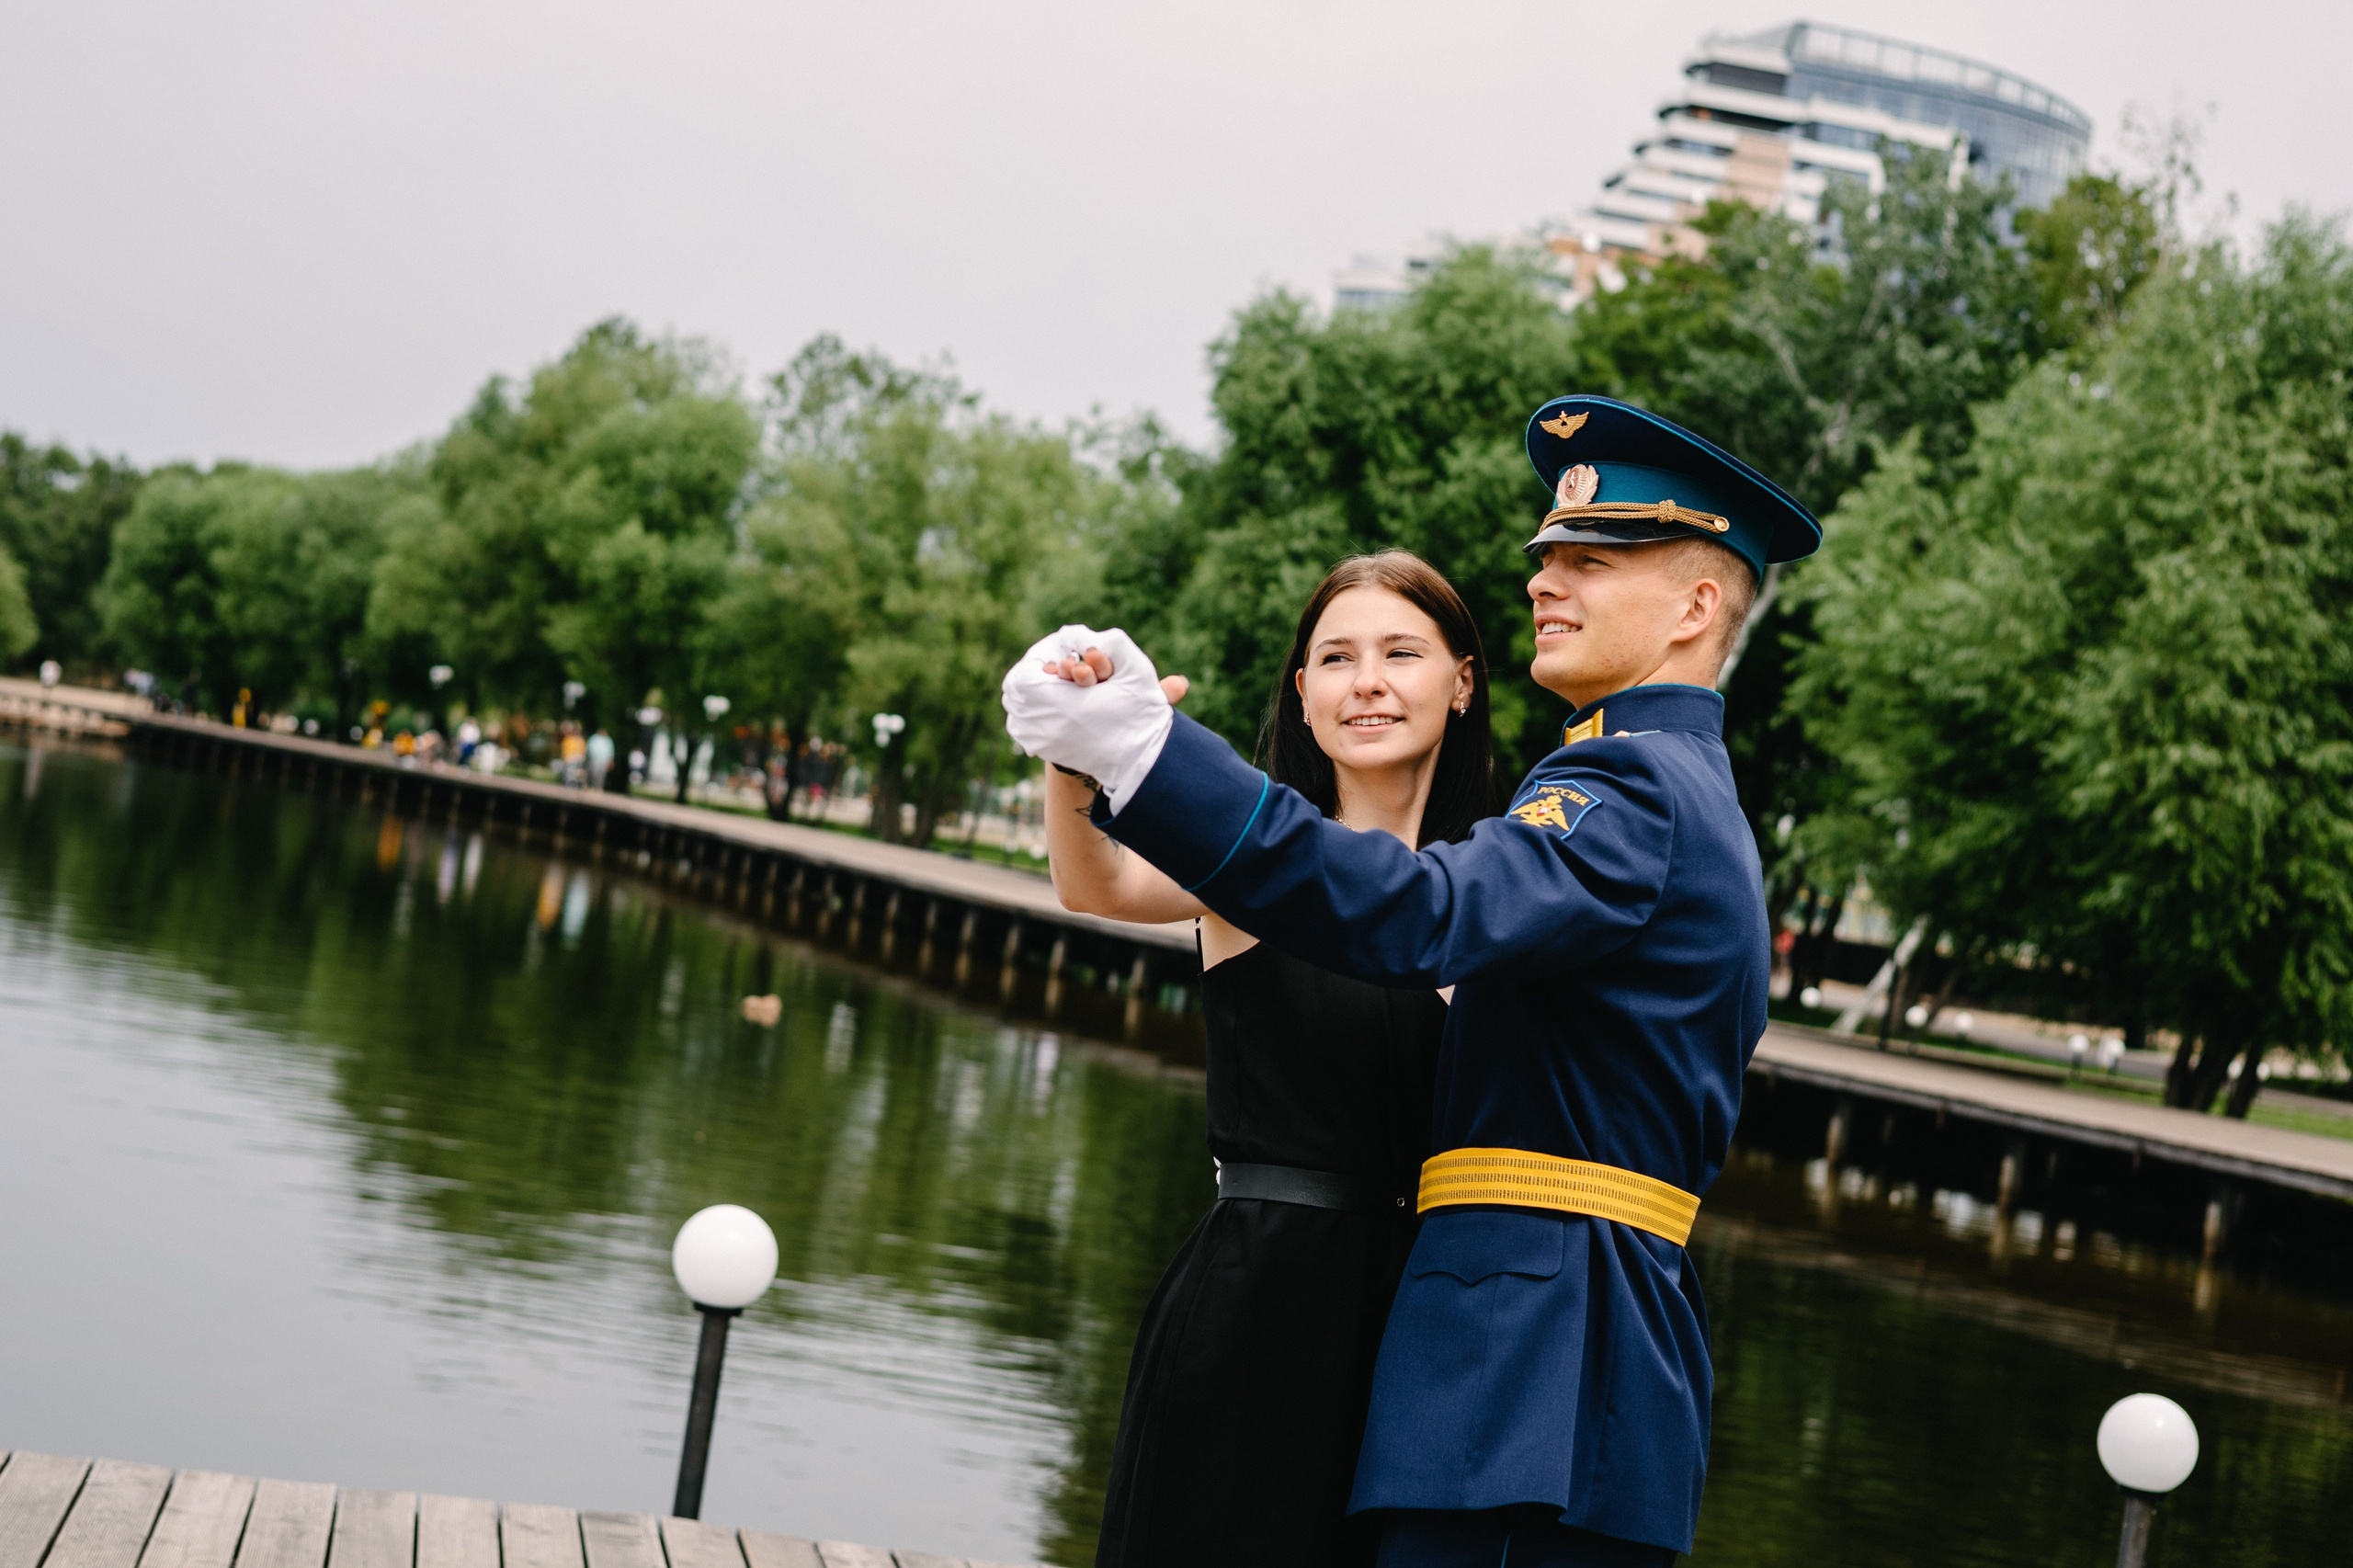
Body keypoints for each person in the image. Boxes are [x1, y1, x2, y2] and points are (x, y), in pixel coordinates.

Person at [1002, 395, 1821, 1566]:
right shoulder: (1660, 782)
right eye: (1546, 557)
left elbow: (1414, 910)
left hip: (1530, 1360)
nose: (1542, 580)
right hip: (1517, 1354)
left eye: (1590, 561)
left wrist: (1147, 753)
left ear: (1696, 606)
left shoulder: (1628, 789)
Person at [1053, 551, 1499, 1568]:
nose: (1367, 681)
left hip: (1435, 1317)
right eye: (1336, 659)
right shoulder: (1258, 856)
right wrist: (1073, 754)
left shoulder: (1501, 878)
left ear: (1462, 681)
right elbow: (1098, 884)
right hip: (1261, 1299)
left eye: (1401, 653)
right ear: (1303, 693)